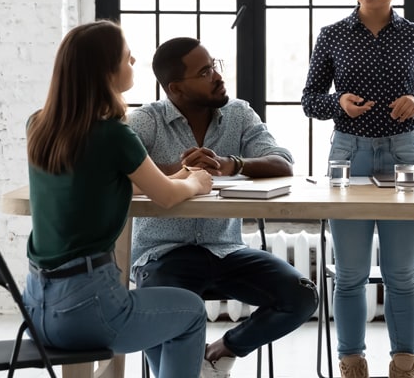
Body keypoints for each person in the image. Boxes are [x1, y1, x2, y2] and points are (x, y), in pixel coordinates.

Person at [23, 20, 212, 378]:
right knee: (190, 312)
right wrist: (196, 182)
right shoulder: (113, 135)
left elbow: (100, 182)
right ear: (106, 72)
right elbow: (168, 197)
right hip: (87, 308)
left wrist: (175, 176)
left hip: (36, 308)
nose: (134, 61)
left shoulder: (39, 126)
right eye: (127, 58)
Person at [128, 37, 319, 378]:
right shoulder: (147, 121)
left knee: (301, 297)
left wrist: (235, 164)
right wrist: (180, 169)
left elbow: (283, 162)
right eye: (205, 72)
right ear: (177, 89)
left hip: (224, 250)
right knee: (166, 315)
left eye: (214, 65)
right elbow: (116, 173)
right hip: (162, 254)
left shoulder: (238, 114)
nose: (217, 76)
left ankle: (220, 352)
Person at [302, 0, 414, 378]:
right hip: (348, 154)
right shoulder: (332, 35)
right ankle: (351, 358)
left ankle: (404, 357)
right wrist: (337, 103)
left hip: (403, 153)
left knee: (401, 272)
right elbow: (309, 100)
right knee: (350, 273)